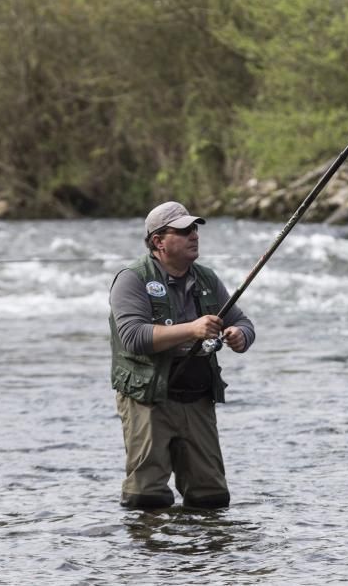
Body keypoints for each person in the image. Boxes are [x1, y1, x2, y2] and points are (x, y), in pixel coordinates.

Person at [109, 201, 255, 510]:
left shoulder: (207, 279)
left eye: (195, 229)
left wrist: (240, 336)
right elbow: (133, 338)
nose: (194, 235)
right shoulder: (132, 279)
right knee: (146, 498)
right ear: (158, 241)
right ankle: (149, 543)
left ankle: (199, 544)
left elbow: (243, 322)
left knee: (211, 498)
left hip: (197, 396)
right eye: (184, 231)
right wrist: (192, 329)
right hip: (148, 397)